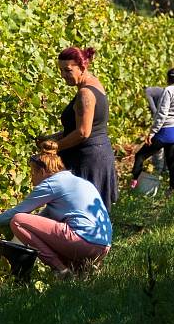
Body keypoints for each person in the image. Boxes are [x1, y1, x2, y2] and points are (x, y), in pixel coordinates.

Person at [0, 141, 112, 277]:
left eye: (33, 173)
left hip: (82, 243)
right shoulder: (76, 181)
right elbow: (40, 223)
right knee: (34, 227)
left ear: (42, 171)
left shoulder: (51, 184)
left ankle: (61, 270)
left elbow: (18, 213)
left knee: (18, 221)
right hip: (102, 248)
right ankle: (80, 268)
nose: (32, 179)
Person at [40, 46, 118, 210]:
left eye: (67, 70)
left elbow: (83, 132)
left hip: (89, 160)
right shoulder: (95, 84)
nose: (63, 75)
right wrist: (53, 137)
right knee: (93, 213)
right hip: (97, 154)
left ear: (82, 67)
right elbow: (81, 127)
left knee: (85, 212)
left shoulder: (85, 94)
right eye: (60, 70)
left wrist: (55, 147)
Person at [130, 68, 174, 194]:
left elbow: (162, 113)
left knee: (140, 155)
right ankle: (172, 190)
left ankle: (134, 183)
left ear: (168, 79)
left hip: (165, 132)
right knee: (171, 163)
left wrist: (152, 133)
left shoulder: (168, 90)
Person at [144, 85, 166, 172]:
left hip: (161, 119)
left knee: (158, 145)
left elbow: (154, 109)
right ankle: (164, 169)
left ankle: (158, 170)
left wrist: (155, 124)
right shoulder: (156, 90)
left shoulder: (147, 92)